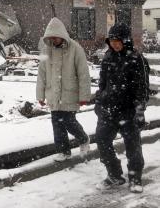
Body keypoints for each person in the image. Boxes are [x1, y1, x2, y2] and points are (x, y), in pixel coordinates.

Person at [95, 22, 149, 193]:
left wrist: (139, 111)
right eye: (112, 40)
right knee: (102, 141)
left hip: (128, 111)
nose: (115, 43)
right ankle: (115, 175)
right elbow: (102, 84)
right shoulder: (107, 58)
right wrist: (99, 102)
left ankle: (135, 178)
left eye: (118, 40)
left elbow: (143, 88)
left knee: (132, 147)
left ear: (125, 41)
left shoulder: (136, 59)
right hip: (108, 110)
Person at [36, 17, 91, 162]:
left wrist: (84, 95)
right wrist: (40, 95)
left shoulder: (75, 48)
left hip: (69, 93)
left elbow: (83, 73)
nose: (53, 40)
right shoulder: (46, 50)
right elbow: (41, 74)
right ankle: (64, 151)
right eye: (51, 37)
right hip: (53, 94)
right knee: (57, 124)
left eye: (56, 37)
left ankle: (84, 139)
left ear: (61, 35)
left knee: (68, 121)